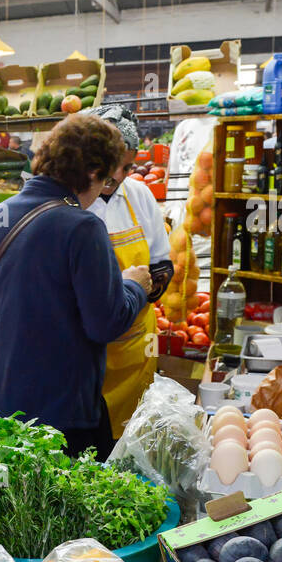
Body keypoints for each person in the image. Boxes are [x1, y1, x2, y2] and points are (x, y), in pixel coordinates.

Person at [0, 113, 151, 458]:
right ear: (95, 173)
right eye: (109, 177)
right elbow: (105, 323)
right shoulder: (82, 227)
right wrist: (135, 286)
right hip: (56, 410)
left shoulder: (0, 213)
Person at [85, 105, 174, 440]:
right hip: (90, 349)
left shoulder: (140, 195)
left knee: (133, 441)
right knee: (91, 444)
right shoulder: (73, 202)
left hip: (137, 346)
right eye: (116, 165)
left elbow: (163, 264)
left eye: (129, 166)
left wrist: (141, 292)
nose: (121, 175)